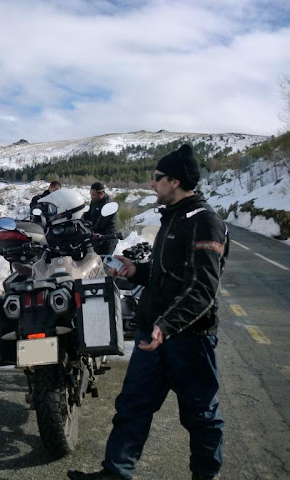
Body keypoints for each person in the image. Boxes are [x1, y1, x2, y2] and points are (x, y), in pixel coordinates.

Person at [67, 144, 229, 480]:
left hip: (188, 341)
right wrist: (136, 271)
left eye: (157, 178)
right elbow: (166, 275)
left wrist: (167, 326)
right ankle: (116, 472)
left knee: (201, 416)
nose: (152, 183)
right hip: (152, 336)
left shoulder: (205, 222)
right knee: (132, 407)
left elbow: (202, 287)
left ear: (175, 181)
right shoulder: (172, 218)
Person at [83, 182, 118, 254]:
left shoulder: (108, 205)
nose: (91, 196)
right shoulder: (95, 200)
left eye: (93, 195)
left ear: (101, 194)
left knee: (103, 261)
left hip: (107, 239)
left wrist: (92, 227)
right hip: (96, 238)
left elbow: (102, 222)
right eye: (91, 194)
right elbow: (89, 213)